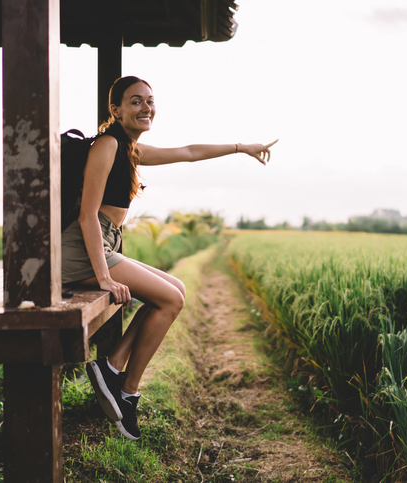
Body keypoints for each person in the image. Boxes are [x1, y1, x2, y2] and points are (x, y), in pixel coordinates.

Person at [61, 76, 276, 440]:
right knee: (171, 299)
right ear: (115, 110)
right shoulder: (107, 146)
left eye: (149, 101)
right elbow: (86, 215)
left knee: (173, 288)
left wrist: (242, 147)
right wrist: (103, 279)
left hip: (103, 241)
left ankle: (112, 369)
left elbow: (188, 152)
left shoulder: (128, 148)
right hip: (81, 248)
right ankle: (126, 390)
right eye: (135, 102)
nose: (146, 108)